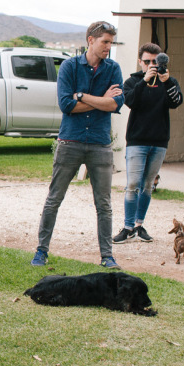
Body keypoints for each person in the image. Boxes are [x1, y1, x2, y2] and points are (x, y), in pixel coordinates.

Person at [31, 21, 124, 269]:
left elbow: (115, 105)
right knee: (54, 198)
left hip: (100, 144)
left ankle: (107, 256)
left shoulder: (113, 69)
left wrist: (82, 96)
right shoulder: (70, 67)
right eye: (105, 42)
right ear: (90, 40)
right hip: (70, 141)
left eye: (111, 43)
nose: (108, 47)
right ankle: (41, 251)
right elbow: (66, 105)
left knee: (103, 203)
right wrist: (101, 100)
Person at [114, 42, 183, 243]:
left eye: (155, 61)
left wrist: (167, 81)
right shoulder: (133, 81)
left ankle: (139, 225)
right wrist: (144, 81)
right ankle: (127, 227)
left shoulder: (169, 81)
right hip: (137, 140)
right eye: (147, 61)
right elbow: (130, 101)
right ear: (140, 62)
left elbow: (176, 102)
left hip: (159, 141)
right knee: (133, 184)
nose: (151, 65)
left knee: (147, 185)